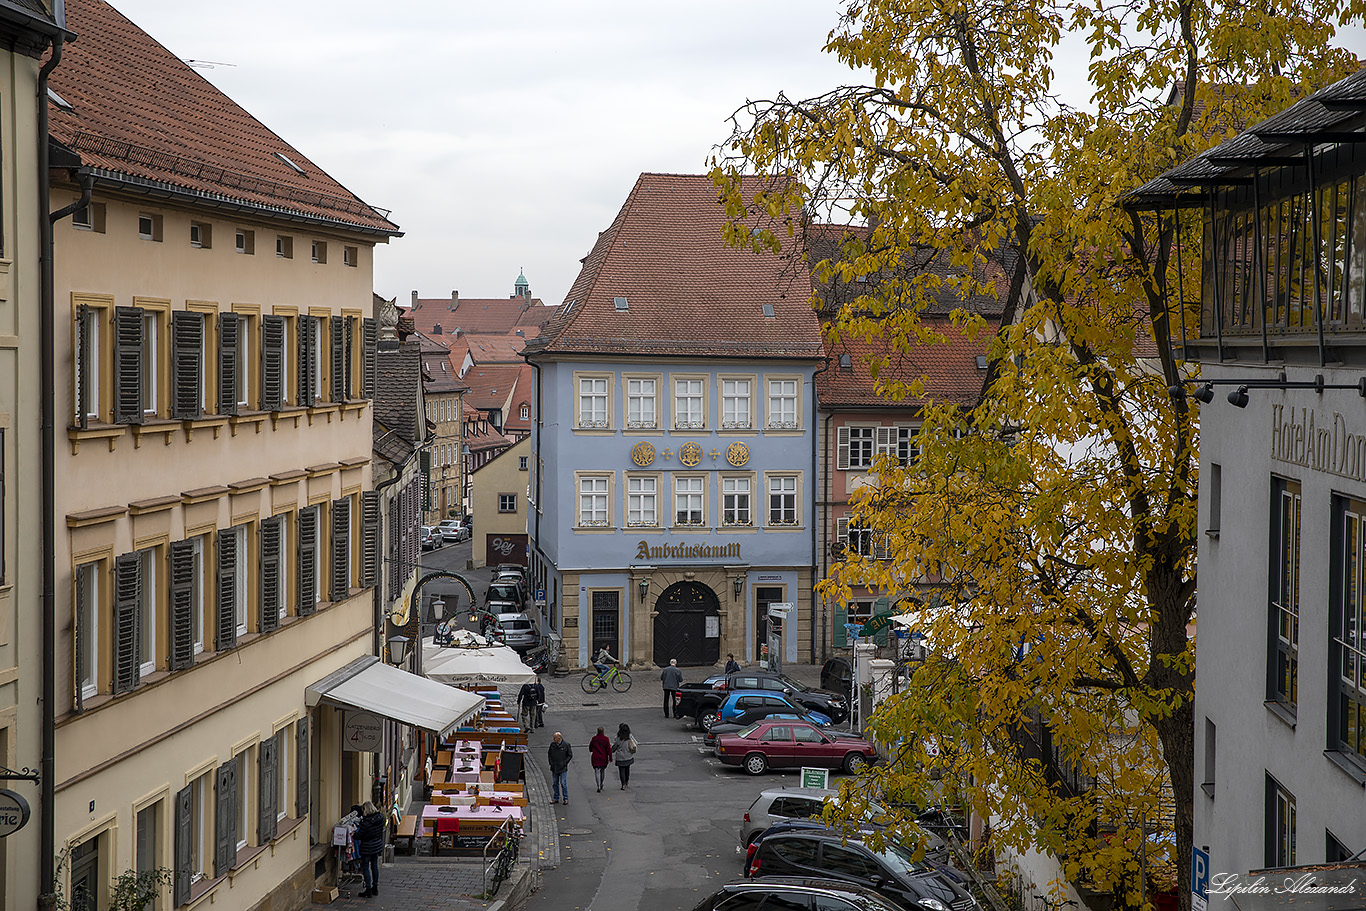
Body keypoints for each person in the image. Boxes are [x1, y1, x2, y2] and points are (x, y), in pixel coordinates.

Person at [353, 802, 385, 897]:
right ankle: (375, 887)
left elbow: (360, 835)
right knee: (374, 866)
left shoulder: (366, 822)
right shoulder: (380, 818)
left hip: (367, 847)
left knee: (366, 867)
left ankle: (368, 889)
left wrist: (354, 834)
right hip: (377, 845)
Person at [548, 731, 573, 804]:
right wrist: (551, 763)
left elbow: (570, 755)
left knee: (563, 783)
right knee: (555, 783)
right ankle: (556, 798)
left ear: (559, 738)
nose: (553, 739)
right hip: (554, 767)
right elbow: (549, 754)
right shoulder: (552, 745)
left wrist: (564, 763)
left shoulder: (566, 745)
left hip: (562, 768)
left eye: (554, 738)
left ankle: (565, 798)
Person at [612, 722, 636, 789]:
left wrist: (611, 751)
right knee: (627, 769)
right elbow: (634, 743)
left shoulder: (618, 738)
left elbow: (614, 747)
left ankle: (623, 784)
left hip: (620, 757)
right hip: (628, 756)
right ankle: (627, 781)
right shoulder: (629, 737)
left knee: (621, 770)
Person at [589, 726, 612, 792]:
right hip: (603, 757)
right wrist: (610, 757)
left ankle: (598, 785)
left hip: (596, 757)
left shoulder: (594, 739)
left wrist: (591, 750)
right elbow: (608, 749)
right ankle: (601, 783)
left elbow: (590, 747)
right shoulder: (606, 739)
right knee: (602, 771)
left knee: (597, 771)